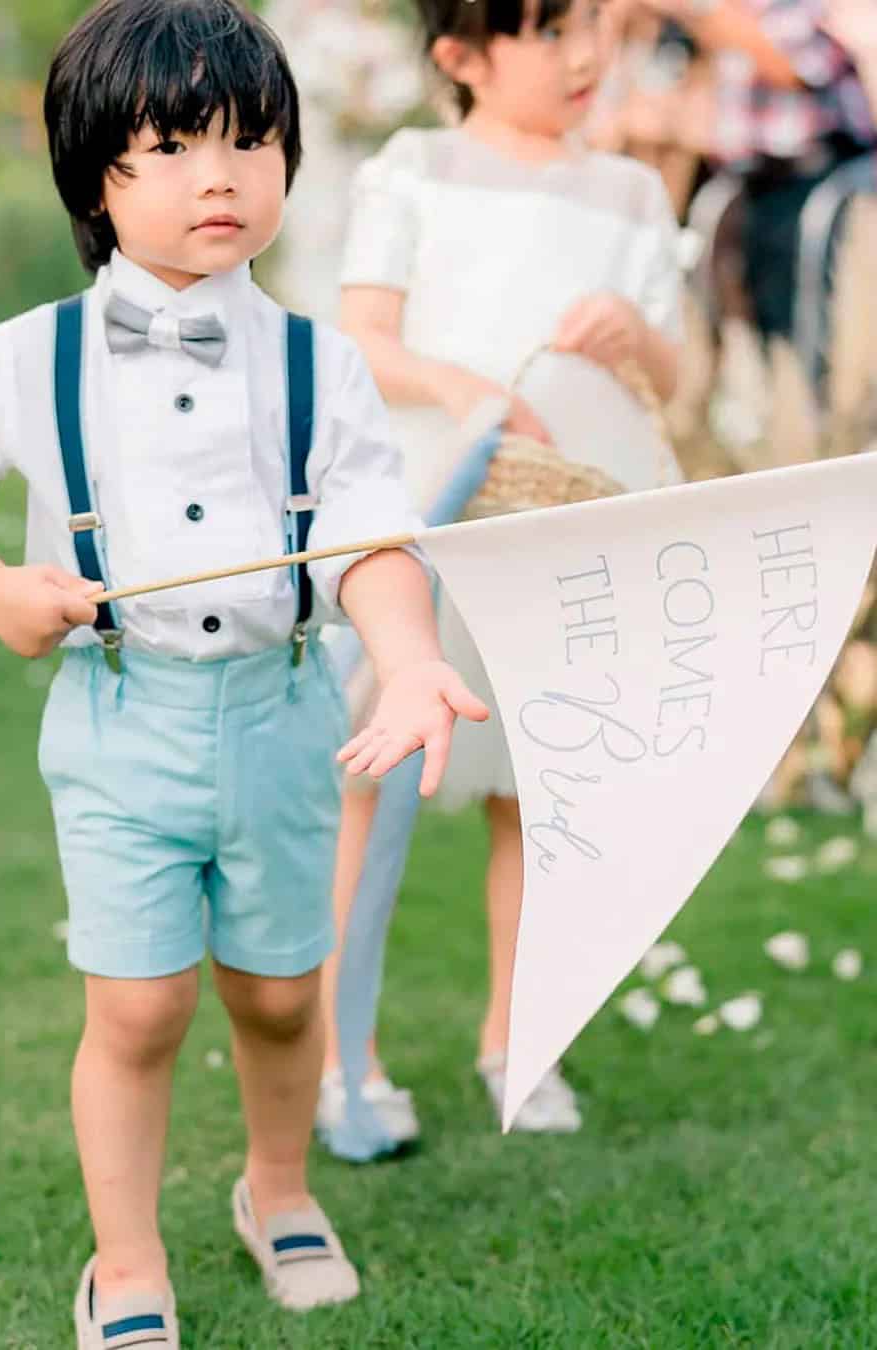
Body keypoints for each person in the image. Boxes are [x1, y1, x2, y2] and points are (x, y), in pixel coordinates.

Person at [0, 3, 489, 1345]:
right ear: (97, 176)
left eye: (252, 141)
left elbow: (375, 537)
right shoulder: (29, 356)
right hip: (120, 722)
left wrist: (416, 656)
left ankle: (278, 1188)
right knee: (138, 1005)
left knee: (275, 990)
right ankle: (127, 1260)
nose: (223, 174)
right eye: (175, 144)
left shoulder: (320, 363)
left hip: (285, 717)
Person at [318, 0, 683, 1147]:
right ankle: (342, 1056)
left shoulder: (630, 192)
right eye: (547, 31)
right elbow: (365, 336)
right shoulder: (415, 169)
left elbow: (675, 373)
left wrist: (640, 333)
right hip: (432, 491)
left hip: (570, 503)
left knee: (542, 785)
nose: (584, 55)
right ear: (461, 57)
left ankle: (519, 1041)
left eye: (594, 25)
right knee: (369, 775)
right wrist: (465, 391)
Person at [638, 0, 876, 346]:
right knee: (754, 321)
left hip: (814, 182)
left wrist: (698, 9)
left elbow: (792, 68)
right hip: (752, 182)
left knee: (809, 327)